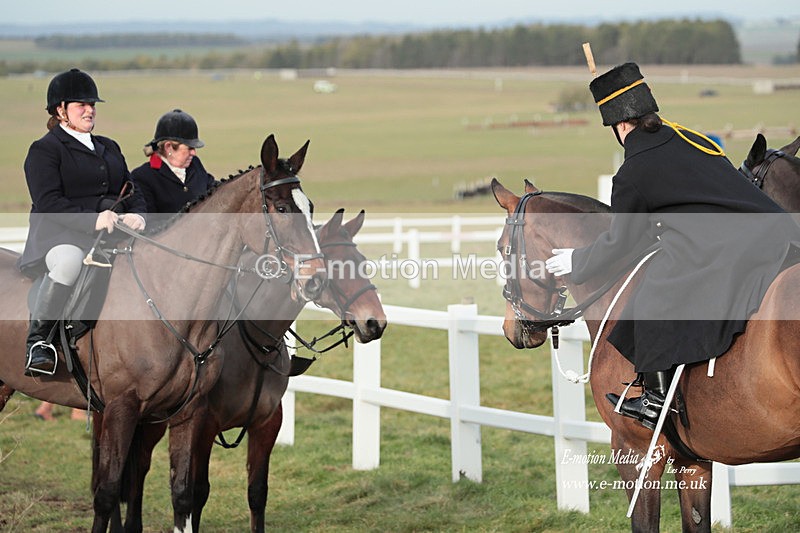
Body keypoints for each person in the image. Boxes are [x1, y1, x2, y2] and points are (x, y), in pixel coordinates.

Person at [545, 62, 800, 430]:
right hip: (781, 234)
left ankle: (655, 400)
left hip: (732, 249)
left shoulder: (633, 171)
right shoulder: (690, 138)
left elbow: (623, 242)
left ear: (619, 126)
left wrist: (576, 260)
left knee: (652, 294)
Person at [19, 68, 146, 376]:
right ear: (60, 111)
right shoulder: (45, 150)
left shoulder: (109, 146)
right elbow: (49, 202)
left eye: (92, 104)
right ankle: (40, 342)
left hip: (108, 235)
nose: (90, 110)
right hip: (58, 237)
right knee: (69, 262)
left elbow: (131, 189)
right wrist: (93, 221)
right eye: (81, 105)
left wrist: (138, 213)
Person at [130, 109, 216, 227]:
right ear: (169, 147)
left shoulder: (195, 164)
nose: (194, 153)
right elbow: (150, 223)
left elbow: (214, 189)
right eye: (189, 148)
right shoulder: (143, 177)